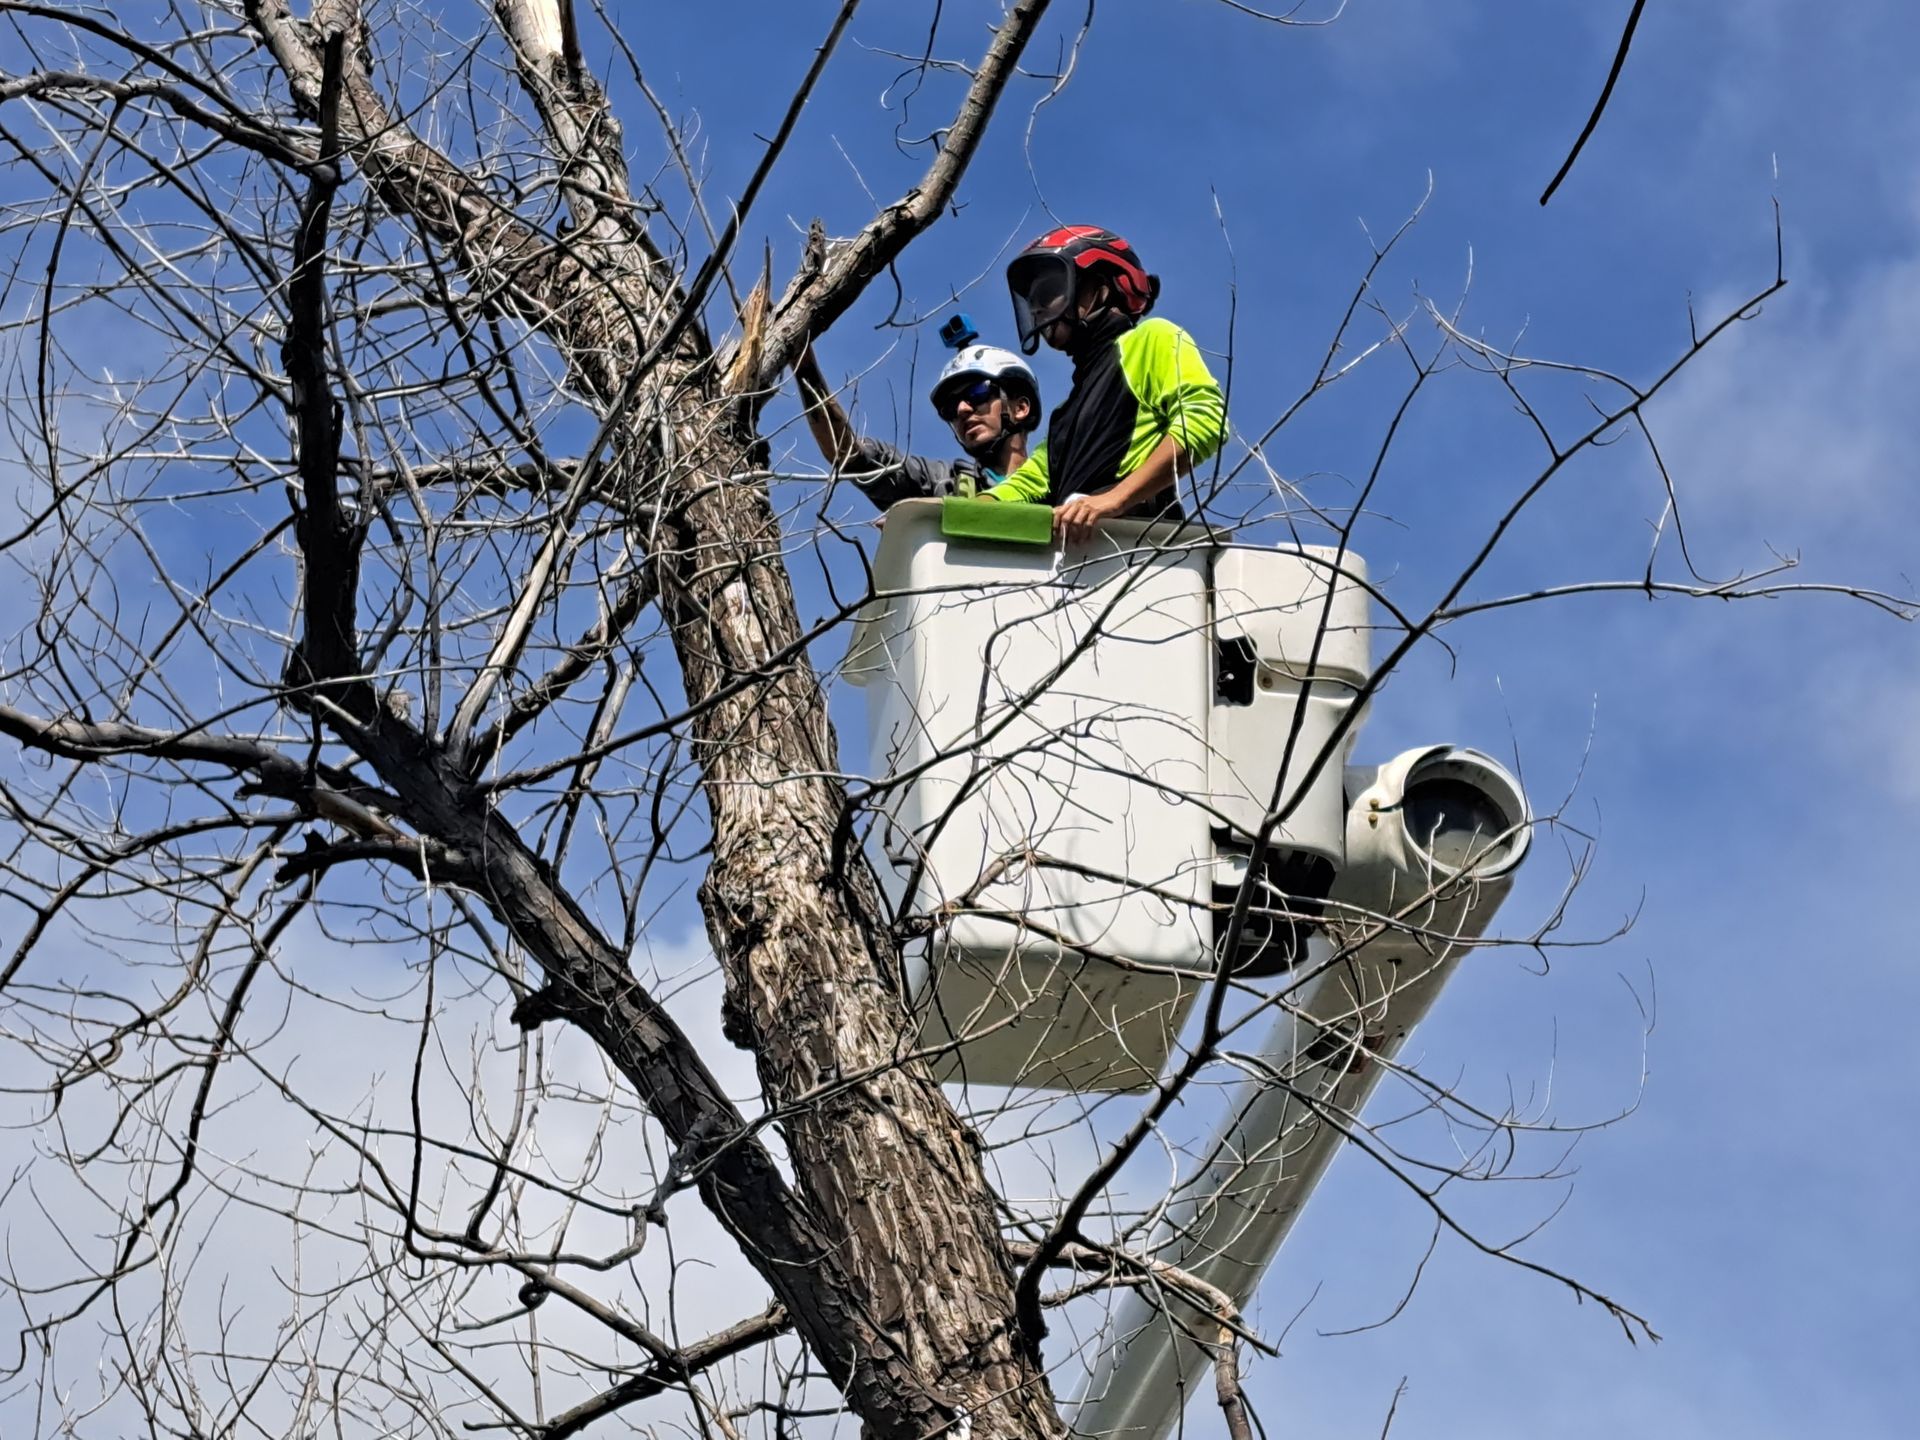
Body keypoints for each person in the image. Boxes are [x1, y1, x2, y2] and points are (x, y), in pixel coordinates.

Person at [981, 226, 1226, 544]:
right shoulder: (1065, 416)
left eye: (1049, 292)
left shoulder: (1150, 339)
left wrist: (1115, 499)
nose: (1037, 308)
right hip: (1082, 563)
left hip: (1140, 549)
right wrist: (933, 511)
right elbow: (1023, 486)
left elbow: (1204, 422)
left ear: (1101, 287)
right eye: (1032, 302)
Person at [790, 316, 1042, 510]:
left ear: (1020, 408)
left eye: (977, 393)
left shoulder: (1062, 478)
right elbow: (847, 455)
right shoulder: (944, 483)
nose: (962, 410)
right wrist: (802, 363)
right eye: (950, 408)